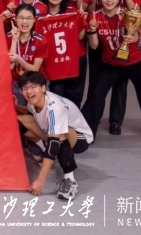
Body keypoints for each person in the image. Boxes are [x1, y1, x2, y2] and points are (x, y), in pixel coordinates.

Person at [82, 0, 141, 142]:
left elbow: (136, 34)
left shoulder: (127, 14)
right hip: (110, 63)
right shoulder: (95, 16)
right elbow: (94, 45)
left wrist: (133, 38)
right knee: (96, 95)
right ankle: (86, 132)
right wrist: (92, 30)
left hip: (134, 61)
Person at [17, 71, 93, 200]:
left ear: (43, 88)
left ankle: (70, 180)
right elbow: (31, 113)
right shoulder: (33, 102)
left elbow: (54, 143)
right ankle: (43, 149)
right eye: (24, 88)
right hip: (52, 133)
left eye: (33, 87)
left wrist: (40, 180)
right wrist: (17, 106)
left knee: (58, 137)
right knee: (18, 120)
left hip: (80, 138)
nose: (28, 91)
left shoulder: (55, 107)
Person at [87, 0, 140, 135]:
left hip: (120, 39)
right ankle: (91, 122)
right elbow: (90, 11)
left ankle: (116, 121)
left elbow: (136, 12)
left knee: (120, 83)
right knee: (96, 83)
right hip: (99, 36)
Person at [38, 0, 88, 108]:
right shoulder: (40, 15)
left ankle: (74, 120)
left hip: (75, 60)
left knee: (74, 96)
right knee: (56, 96)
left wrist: (82, 19)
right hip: (54, 63)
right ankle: (59, 120)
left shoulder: (72, 11)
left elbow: (80, 36)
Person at [7, 4, 48, 108]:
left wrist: (19, 59)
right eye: (21, 18)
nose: (24, 22)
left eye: (29, 18)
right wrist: (14, 40)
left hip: (34, 82)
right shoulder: (7, 38)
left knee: (38, 111)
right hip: (15, 83)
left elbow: (35, 69)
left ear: (34, 20)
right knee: (18, 111)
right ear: (15, 19)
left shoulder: (41, 40)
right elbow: (10, 66)